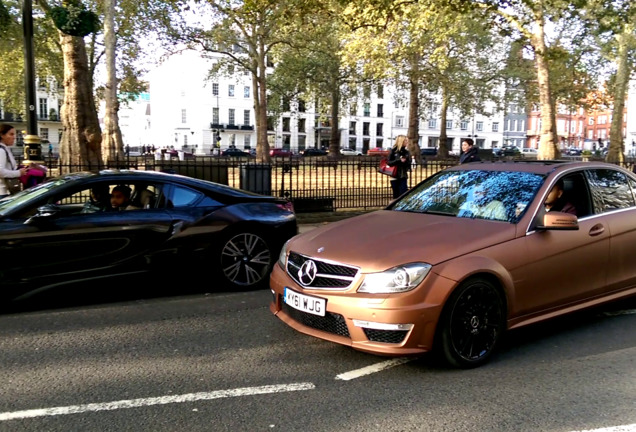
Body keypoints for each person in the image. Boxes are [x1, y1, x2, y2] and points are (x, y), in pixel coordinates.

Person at [0, 124, 28, 199]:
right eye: (11, 134)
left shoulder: (5, 149)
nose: (14, 137)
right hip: (3, 192)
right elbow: (0, 171)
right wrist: (18, 173)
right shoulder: (1, 151)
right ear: (2, 135)